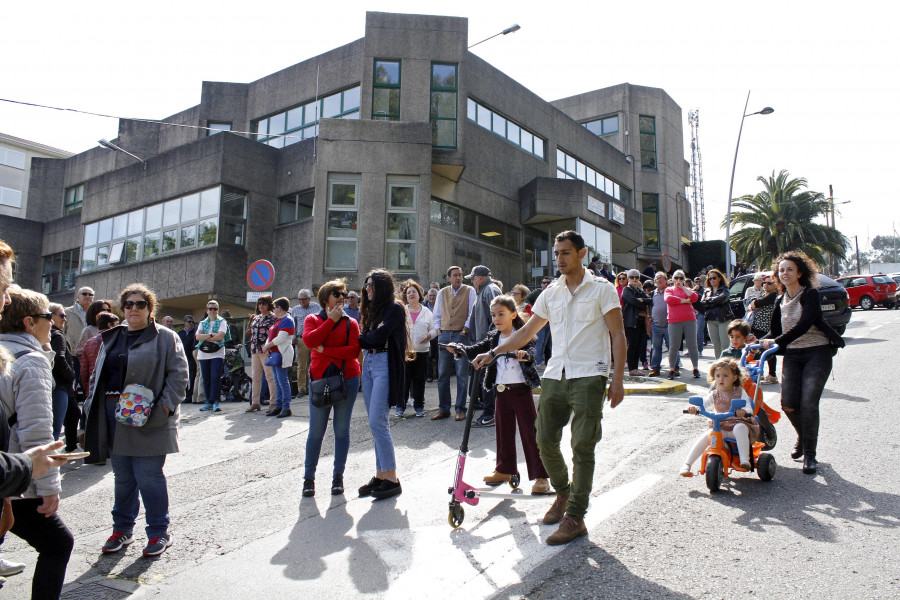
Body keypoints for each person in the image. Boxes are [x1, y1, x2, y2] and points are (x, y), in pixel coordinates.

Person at [472, 230, 626, 546]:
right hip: (556, 374)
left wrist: (618, 379)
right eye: (556, 253)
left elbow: (618, 334)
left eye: (565, 252)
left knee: (583, 445)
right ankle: (564, 493)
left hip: (589, 374)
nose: (559, 259)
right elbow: (527, 331)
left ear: (582, 254)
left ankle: (575, 516)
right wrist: (493, 352)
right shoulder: (551, 293)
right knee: (543, 438)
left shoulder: (602, 290)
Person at [82, 283, 188, 558]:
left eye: (139, 304)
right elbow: (97, 377)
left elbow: (178, 377)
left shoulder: (165, 337)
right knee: (123, 478)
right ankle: (122, 529)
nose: (133, 309)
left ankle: (158, 532)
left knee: (149, 477)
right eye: (128, 304)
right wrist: (89, 410)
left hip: (150, 418)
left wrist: (163, 410)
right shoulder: (112, 337)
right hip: (114, 416)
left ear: (150, 308)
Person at [0, 287, 74, 598]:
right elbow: (38, 433)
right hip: (14, 475)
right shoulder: (31, 360)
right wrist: (49, 488)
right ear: (30, 322)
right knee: (58, 544)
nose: (54, 324)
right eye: (49, 317)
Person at [448, 295, 550, 495]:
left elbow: (531, 351)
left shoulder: (522, 334)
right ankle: (505, 469)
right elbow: (478, 349)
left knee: (530, 433)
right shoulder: (494, 337)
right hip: (501, 391)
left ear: (513, 314)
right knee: (503, 433)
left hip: (521, 391)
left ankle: (540, 476)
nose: (497, 319)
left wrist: (525, 355)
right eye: (493, 315)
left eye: (501, 314)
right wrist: (460, 349)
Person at [761, 251, 844, 475]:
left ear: (799, 273)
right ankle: (803, 435)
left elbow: (805, 324)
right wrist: (757, 341)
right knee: (788, 404)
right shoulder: (781, 298)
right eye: (781, 270)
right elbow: (778, 331)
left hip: (818, 352)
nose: (785, 273)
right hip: (794, 355)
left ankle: (810, 454)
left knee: (808, 404)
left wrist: (776, 341)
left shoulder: (810, 295)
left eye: (790, 269)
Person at [301, 280, 361, 497]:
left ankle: (338, 477)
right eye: (338, 294)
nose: (342, 297)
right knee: (316, 431)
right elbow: (309, 340)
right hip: (320, 380)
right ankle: (309, 478)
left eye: (344, 294)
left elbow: (353, 351)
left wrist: (324, 349)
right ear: (326, 298)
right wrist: (330, 322)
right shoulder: (312, 319)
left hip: (348, 379)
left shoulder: (351, 323)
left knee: (342, 430)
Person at [357, 269, 407, 499]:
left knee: (378, 421)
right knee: (374, 422)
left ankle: (392, 478)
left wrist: (369, 337)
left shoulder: (394, 308)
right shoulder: (371, 311)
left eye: (371, 285)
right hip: (368, 364)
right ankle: (380, 475)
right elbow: (369, 338)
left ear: (382, 287)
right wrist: (370, 336)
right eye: (366, 285)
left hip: (384, 364)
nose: (367, 289)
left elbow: (376, 337)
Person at [679, 358, 759, 475]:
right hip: (720, 426)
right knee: (707, 436)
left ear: (735, 378)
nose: (721, 379)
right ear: (714, 377)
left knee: (739, 428)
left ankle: (744, 460)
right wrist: (695, 409)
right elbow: (704, 403)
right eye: (718, 375)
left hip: (737, 424)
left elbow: (749, 407)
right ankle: (687, 464)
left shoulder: (740, 392)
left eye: (726, 376)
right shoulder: (714, 394)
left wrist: (743, 411)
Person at [432, 266, 475, 421]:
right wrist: (438, 331)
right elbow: (436, 313)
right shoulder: (442, 292)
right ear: (448, 278)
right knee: (442, 373)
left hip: (461, 335)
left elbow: (472, 312)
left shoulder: (470, 290)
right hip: (444, 334)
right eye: (455, 275)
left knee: (461, 374)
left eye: (460, 275)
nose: (459, 278)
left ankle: (460, 409)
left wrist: (465, 330)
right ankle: (444, 408)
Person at [466, 266, 502, 427]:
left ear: (480, 278)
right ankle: (490, 413)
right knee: (484, 379)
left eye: (473, 278)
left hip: (490, 344)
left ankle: (490, 414)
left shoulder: (490, 290)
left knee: (488, 379)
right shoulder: (484, 291)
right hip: (483, 343)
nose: (472, 281)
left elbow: (499, 314)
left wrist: (491, 341)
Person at [398, 280, 435, 418]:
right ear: (406, 297)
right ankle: (400, 407)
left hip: (422, 351)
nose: (411, 294)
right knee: (404, 380)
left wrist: (429, 335)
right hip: (405, 352)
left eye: (414, 291)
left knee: (419, 381)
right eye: (408, 292)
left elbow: (435, 329)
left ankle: (419, 406)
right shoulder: (402, 310)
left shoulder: (426, 312)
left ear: (419, 295)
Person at [48, 303, 77, 443]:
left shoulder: (48, 334)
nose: (64, 319)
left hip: (51, 384)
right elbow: (59, 357)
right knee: (54, 430)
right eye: (61, 315)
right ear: (50, 316)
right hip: (59, 385)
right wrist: (71, 375)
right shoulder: (57, 335)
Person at [262, 298, 295, 418]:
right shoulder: (279, 320)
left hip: (282, 354)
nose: (273, 309)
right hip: (275, 354)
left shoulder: (287, 320)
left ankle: (286, 407)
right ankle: (279, 405)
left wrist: (267, 347)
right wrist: (267, 347)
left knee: (282, 381)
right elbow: (271, 336)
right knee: (278, 381)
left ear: (279, 307)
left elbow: (281, 338)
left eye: (274, 307)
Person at [665, 270, 701, 379]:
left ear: (684, 280)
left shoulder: (688, 289)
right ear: (672, 279)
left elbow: (695, 298)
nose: (678, 280)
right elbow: (669, 299)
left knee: (692, 345)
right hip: (674, 320)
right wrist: (684, 301)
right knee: (674, 346)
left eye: (681, 278)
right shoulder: (669, 289)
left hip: (690, 320)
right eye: (676, 278)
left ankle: (695, 368)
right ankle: (671, 369)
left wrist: (684, 288)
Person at [246, 296, 278, 412]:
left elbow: (274, 334)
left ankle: (273, 403)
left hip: (266, 350)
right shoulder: (256, 318)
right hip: (255, 350)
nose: (261, 305)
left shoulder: (273, 318)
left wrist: (268, 346)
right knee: (256, 377)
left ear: (269, 304)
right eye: (259, 303)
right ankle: (255, 403)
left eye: (264, 303)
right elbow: (249, 333)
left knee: (270, 377)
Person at [196, 300, 228, 412]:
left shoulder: (222, 321)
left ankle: (215, 401)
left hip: (217, 353)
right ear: (207, 310)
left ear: (218, 310)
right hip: (203, 353)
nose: (212, 311)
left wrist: (205, 336)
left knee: (215, 377)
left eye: (215, 309)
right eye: (210, 309)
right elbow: (197, 337)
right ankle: (208, 401)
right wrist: (211, 335)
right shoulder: (202, 322)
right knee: (206, 379)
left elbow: (220, 336)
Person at [747, 276, 779, 384]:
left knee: (768, 351)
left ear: (775, 285)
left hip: (766, 326)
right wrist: (753, 304)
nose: (765, 284)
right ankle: (758, 373)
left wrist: (753, 304)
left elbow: (756, 304)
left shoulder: (773, 295)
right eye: (764, 282)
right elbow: (751, 304)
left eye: (769, 283)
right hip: (758, 325)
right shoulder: (764, 294)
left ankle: (772, 375)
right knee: (758, 350)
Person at [80, 312, 120, 397]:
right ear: (110, 325)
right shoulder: (119, 341)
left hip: (93, 388)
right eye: (117, 324)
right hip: (114, 390)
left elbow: (84, 371)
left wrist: (87, 389)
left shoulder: (89, 342)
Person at [290, 289, 321, 399]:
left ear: (309, 299)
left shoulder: (316, 307)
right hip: (301, 339)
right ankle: (301, 388)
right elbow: (293, 325)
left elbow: (321, 320)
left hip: (314, 338)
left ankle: (315, 386)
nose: (302, 301)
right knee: (301, 366)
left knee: (316, 364)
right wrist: (293, 337)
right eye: (300, 299)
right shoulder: (295, 309)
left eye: (304, 299)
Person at [621, 269, 653, 376]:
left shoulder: (640, 290)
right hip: (631, 322)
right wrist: (642, 301)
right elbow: (632, 301)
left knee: (639, 345)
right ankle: (632, 369)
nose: (634, 279)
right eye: (632, 277)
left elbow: (650, 300)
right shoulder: (626, 290)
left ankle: (635, 368)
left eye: (636, 277)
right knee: (632, 345)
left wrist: (642, 300)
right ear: (628, 279)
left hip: (641, 322)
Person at [699, 268, 734, 360]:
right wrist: (714, 301)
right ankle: (718, 365)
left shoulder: (725, 289)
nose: (712, 280)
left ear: (719, 278)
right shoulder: (707, 290)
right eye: (710, 279)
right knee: (716, 346)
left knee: (725, 345)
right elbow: (702, 303)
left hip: (723, 319)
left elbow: (723, 299)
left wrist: (709, 301)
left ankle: (726, 364)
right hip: (711, 320)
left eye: (714, 278)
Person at [648, 272, 675, 377]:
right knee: (656, 348)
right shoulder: (652, 294)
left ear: (666, 280)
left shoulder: (670, 292)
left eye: (661, 278)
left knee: (672, 347)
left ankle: (675, 367)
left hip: (670, 324)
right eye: (657, 279)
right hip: (656, 325)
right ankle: (655, 368)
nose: (659, 280)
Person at [64, 286, 94, 357]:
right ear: (78, 296)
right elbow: (61, 331)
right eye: (84, 294)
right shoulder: (68, 312)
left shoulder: (96, 313)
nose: (87, 296)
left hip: (91, 353)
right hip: (73, 353)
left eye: (90, 295)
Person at [177, 315, 197, 400]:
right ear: (185, 323)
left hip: (191, 358)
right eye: (189, 322)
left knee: (192, 376)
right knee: (183, 377)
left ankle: (190, 395)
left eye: (193, 322)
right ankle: (183, 395)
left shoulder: (195, 333)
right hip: (182, 358)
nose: (191, 323)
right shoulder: (180, 333)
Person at [424, 287, 439, 382]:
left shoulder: (440, 306)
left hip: (438, 334)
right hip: (428, 334)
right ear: (427, 296)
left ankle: (438, 375)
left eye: (434, 295)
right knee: (428, 356)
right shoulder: (424, 307)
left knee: (438, 355)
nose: (432, 297)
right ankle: (428, 376)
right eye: (430, 295)